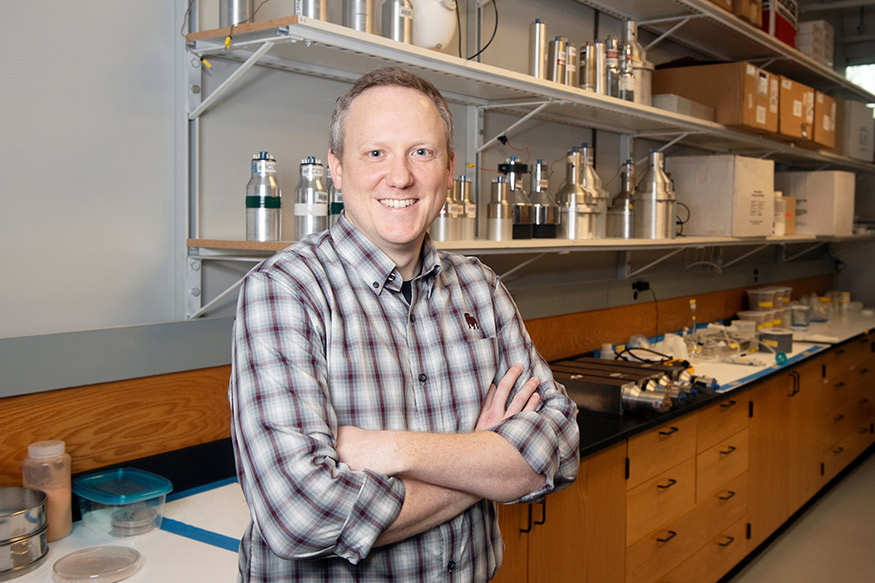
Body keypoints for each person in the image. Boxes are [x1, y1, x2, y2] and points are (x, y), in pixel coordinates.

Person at [229, 66, 580, 582]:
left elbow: (562, 444)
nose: (400, 177)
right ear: (337, 169)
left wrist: (391, 449)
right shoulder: (285, 290)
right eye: (375, 153)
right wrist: (485, 467)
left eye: (422, 152)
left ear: (449, 169)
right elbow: (299, 515)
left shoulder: (480, 289)